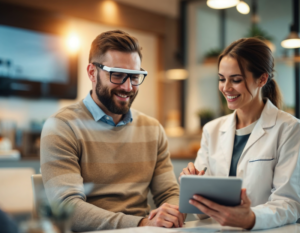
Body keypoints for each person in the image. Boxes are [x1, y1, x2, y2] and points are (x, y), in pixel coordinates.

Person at [40, 30, 184, 232]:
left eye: (135, 77)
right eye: (117, 75)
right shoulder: (62, 126)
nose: (127, 87)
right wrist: (141, 223)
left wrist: (173, 212)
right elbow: (67, 207)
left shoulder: (153, 129)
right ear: (92, 73)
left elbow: (169, 193)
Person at [180, 38, 300, 230]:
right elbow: (202, 214)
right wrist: (194, 188)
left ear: (262, 79)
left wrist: (251, 218)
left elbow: (290, 204)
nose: (226, 88)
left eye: (236, 80)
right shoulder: (212, 130)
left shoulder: (289, 128)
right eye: (221, 79)